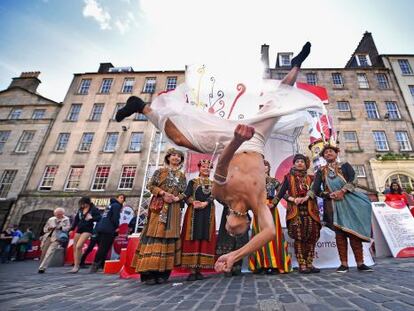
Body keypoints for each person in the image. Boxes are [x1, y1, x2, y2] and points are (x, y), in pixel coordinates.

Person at [117, 42, 322, 273]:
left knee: (181, 139)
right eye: (238, 231)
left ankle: (142, 107)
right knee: (279, 102)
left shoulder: (219, 195)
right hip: (255, 140)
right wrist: (236, 254)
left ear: (225, 223)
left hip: (230, 142)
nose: (233, 229)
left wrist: (235, 140)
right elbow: (270, 233)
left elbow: (222, 164)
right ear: (246, 224)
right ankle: (297, 64)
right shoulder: (257, 205)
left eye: (229, 229)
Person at [311, 144, 373, 273]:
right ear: (323, 157)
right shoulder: (321, 171)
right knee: (340, 234)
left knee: (353, 233)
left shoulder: (345, 166)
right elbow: (316, 189)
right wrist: (328, 195)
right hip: (333, 205)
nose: (328, 153)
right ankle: (344, 264)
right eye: (326, 153)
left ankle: (360, 263)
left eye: (331, 151)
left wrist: (342, 191)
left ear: (336, 153)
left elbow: (353, 180)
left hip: (349, 201)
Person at [131, 148, 187, 285]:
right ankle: (148, 272)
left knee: (170, 237)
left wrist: (176, 198)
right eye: (174, 155)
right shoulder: (160, 172)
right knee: (155, 234)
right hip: (159, 207)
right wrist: (163, 193)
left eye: (179, 156)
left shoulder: (182, 176)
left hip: (173, 209)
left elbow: (185, 192)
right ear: (168, 157)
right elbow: (150, 186)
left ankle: (163, 273)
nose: (176, 158)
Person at [274, 154, 321, 273]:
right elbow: (281, 193)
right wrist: (291, 200)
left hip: (311, 211)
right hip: (296, 212)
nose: (300, 163)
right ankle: (302, 264)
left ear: (306, 164)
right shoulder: (288, 177)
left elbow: (317, 191)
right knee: (299, 238)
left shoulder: (312, 178)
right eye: (297, 161)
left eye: (302, 161)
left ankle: (310, 263)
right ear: (294, 164)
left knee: (312, 237)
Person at [249, 160, 291, 274]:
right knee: (259, 234)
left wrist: (293, 199)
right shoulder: (253, 182)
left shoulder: (274, 181)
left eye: (266, 165)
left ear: (268, 168)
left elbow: (282, 193)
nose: (263, 167)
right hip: (259, 209)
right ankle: (260, 264)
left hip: (271, 208)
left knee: (273, 235)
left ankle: (273, 263)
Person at [181, 159, 217, 281]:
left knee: (204, 236)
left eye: (208, 167)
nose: (206, 169)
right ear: (199, 168)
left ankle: (200, 269)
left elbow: (213, 196)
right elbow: (186, 195)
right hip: (194, 213)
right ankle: (192, 270)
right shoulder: (193, 182)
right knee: (193, 237)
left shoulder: (214, 184)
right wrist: (193, 202)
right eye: (203, 167)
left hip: (207, 212)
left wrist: (206, 203)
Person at [90, 194, 125, 273]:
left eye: (123, 198)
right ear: (117, 198)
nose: (122, 200)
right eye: (121, 198)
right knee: (104, 248)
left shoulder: (110, 205)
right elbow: (115, 217)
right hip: (108, 229)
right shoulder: (116, 206)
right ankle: (95, 265)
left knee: (103, 247)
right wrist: (117, 227)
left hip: (102, 228)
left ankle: (101, 265)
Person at [68, 197, 101, 273]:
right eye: (81, 204)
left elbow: (99, 218)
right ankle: (76, 266)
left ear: (87, 203)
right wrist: (72, 229)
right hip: (79, 229)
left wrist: (92, 218)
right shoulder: (80, 210)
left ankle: (78, 264)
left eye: (83, 204)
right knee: (75, 248)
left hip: (88, 229)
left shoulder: (94, 209)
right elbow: (76, 220)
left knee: (79, 246)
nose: (82, 205)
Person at [216, 204, 249, 277]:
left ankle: (237, 268)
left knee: (240, 239)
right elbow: (219, 196)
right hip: (229, 211)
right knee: (228, 240)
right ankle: (227, 267)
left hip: (241, 211)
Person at [38, 208, 71, 273]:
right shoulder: (51, 219)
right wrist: (49, 228)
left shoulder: (66, 220)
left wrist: (60, 228)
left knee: (50, 252)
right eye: (57, 214)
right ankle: (41, 265)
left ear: (62, 214)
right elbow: (45, 229)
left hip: (57, 238)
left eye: (60, 214)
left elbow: (68, 228)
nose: (58, 215)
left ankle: (42, 267)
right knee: (43, 252)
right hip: (47, 237)